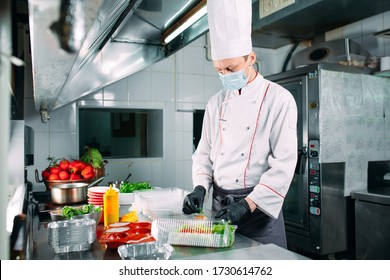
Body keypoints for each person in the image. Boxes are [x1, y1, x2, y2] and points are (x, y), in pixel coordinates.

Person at [182, 0, 298, 249]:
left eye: (231, 68)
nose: (225, 75)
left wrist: (247, 205)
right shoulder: (216, 102)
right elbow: (204, 153)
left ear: (251, 58)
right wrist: (200, 188)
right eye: (219, 70)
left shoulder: (278, 99)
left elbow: (284, 165)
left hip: (258, 210)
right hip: (220, 206)